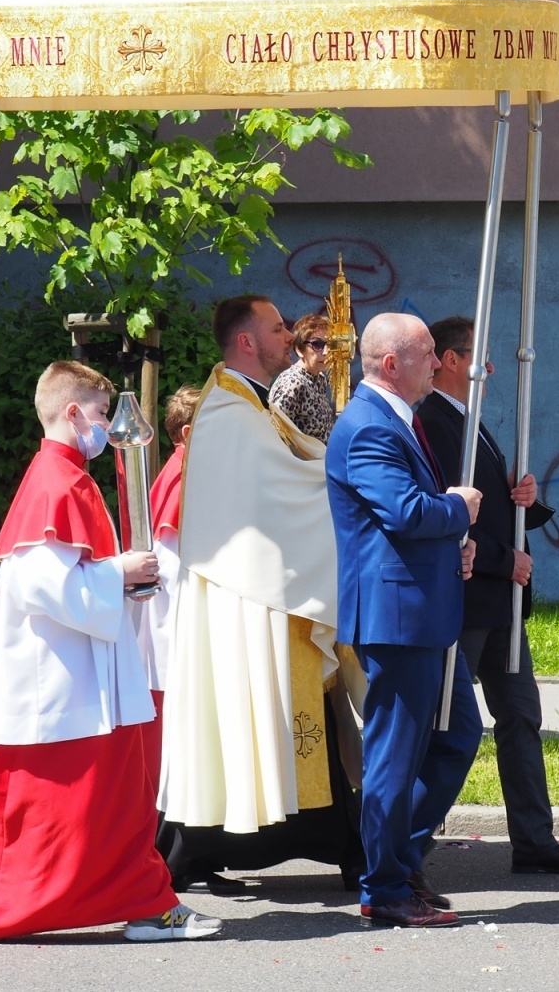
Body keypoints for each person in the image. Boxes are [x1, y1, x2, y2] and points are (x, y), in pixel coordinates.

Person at [0, 361, 219, 943]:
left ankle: (143, 902)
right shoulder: (56, 481)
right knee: (60, 808)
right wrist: (119, 573)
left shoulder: (65, 476)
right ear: (74, 412)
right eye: (102, 414)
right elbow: (44, 585)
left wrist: (118, 578)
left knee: (109, 801)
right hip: (63, 683)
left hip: (81, 672)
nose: (108, 427)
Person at [158, 294, 365, 891]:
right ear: (247, 341)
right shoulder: (230, 412)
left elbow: (298, 465)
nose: (288, 336)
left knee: (297, 720)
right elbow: (292, 486)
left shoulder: (249, 404)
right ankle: (194, 851)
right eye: (277, 329)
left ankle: (338, 842)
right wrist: (350, 475)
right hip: (244, 601)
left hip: (265, 592)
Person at [418, 316, 559, 876]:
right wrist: (505, 559)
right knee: (445, 724)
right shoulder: (433, 421)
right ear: (452, 360)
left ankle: (534, 839)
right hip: (470, 596)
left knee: (521, 716)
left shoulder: (467, 419)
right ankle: (402, 846)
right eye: (480, 356)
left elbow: (489, 504)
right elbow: (448, 514)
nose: (491, 367)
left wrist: (524, 496)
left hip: (501, 600)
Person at [326, 312, 482, 929]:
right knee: (394, 755)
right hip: (397, 618)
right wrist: (458, 510)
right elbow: (407, 513)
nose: (438, 362)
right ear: (392, 364)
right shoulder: (369, 424)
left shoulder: (395, 418)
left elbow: (408, 522)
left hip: (422, 610)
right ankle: (385, 887)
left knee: (458, 734)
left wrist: (455, 544)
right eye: (427, 353)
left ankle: (399, 858)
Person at [132, 384, 198, 798]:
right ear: (188, 433)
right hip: (172, 626)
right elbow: (173, 567)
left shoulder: (180, 469)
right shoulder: (185, 475)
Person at [269, 312, 337, 442]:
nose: (326, 352)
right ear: (299, 349)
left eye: (331, 344)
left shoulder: (319, 378)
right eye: (317, 344)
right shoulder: (293, 383)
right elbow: (274, 432)